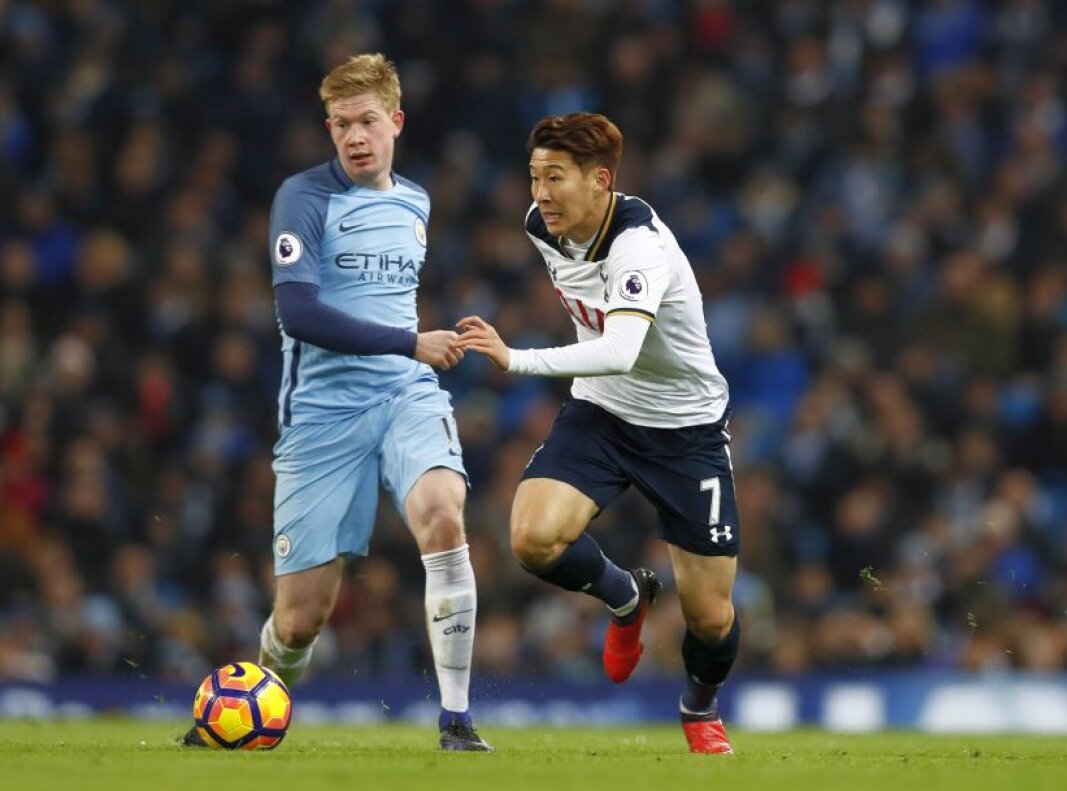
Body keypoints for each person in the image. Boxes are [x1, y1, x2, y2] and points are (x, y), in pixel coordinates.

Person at [181, 53, 490, 751]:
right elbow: (301, 316)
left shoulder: (417, 201)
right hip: (321, 416)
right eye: (342, 124)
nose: (355, 136)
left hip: (404, 396)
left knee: (443, 514)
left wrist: (410, 356)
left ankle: (457, 721)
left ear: (396, 123)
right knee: (299, 621)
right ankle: (261, 689)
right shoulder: (302, 199)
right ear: (329, 130)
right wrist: (412, 341)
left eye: (368, 121)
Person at [456, 112, 740, 755]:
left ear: (600, 180)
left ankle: (699, 707)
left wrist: (516, 359)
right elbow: (607, 365)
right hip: (603, 415)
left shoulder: (640, 246)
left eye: (555, 178)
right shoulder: (542, 229)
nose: (541, 194)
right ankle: (624, 595)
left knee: (711, 616)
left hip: (684, 430)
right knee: (531, 538)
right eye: (534, 177)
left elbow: (619, 349)